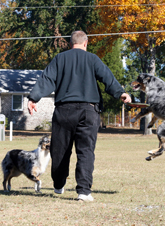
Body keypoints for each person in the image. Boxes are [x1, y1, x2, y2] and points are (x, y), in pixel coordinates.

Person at [28, 30, 131, 201]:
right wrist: (120, 93)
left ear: (70, 44)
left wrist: (33, 97)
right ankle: (84, 191)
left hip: (64, 111)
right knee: (86, 151)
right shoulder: (92, 59)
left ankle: (59, 184)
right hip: (88, 112)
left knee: (60, 150)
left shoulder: (60, 59)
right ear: (86, 43)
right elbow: (107, 77)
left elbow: (46, 79)